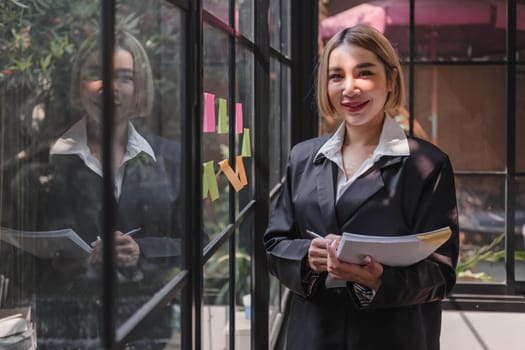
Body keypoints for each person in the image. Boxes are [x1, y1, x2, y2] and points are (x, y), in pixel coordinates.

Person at [264, 24, 459, 350]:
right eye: (336, 76)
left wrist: (380, 279)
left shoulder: (427, 165)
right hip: (312, 337)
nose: (349, 88)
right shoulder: (302, 157)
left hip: (394, 338)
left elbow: (442, 274)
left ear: (391, 79)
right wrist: (306, 257)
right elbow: (274, 244)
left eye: (364, 73)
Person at [2, 30, 182, 350]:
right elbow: (9, 258)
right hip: (65, 333)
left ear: (138, 90)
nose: (109, 87)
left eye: (124, 78)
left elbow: (197, 244)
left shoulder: (171, 159)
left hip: (147, 332)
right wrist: (57, 267)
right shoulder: (38, 165)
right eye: (96, 74)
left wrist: (142, 251)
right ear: (78, 87)